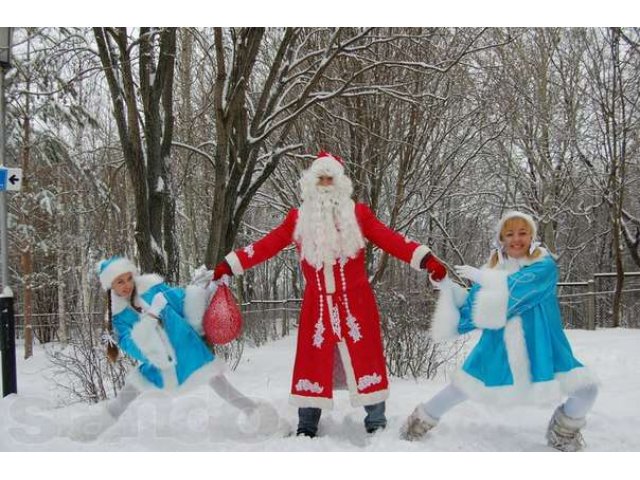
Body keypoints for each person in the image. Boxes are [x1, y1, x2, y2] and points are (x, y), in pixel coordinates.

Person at [212, 151, 447, 437]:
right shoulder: (298, 219)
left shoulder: (358, 215)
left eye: (330, 179)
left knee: (366, 360)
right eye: (320, 179)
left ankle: (376, 422)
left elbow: (391, 239)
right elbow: (267, 244)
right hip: (318, 306)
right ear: (311, 183)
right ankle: (307, 425)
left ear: (340, 183)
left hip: (356, 304)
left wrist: (425, 259)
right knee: (312, 362)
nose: (325, 184)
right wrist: (232, 263)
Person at [401, 211, 599, 451]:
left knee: (587, 389)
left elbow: (520, 287)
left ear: (532, 236)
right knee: (462, 387)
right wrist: (447, 286)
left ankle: (563, 432)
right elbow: (473, 307)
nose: (517, 239)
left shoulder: (544, 266)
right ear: (502, 239)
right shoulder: (493, 271)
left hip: (543, 346)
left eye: (523, 232)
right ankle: (418, 422)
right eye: (510, 234)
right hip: (498, 346)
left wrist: (484, 278)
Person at [72, 256, 262, 441]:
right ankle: (91, 430)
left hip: (187, 348)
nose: (127, 285)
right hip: (159, 362)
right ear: (110, 287)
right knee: (127, 394)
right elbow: (133, 346)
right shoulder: (119, 318)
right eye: (120, 282)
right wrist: (153, 323)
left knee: (221, 384)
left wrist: (207, 289)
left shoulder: (152, 288)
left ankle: (259, 416)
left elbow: (182, 300)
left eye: (129, 278)